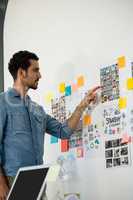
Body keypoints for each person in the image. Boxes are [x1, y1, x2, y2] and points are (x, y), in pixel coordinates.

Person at [0, 50, 100, 199]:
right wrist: (1, 184)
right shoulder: (3, 102)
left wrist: (83, 105)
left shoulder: (37, 109)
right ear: (22, 72)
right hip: (13, 179)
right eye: (35, 70)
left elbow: (63, 131)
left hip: (37, 179)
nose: (40, 75)